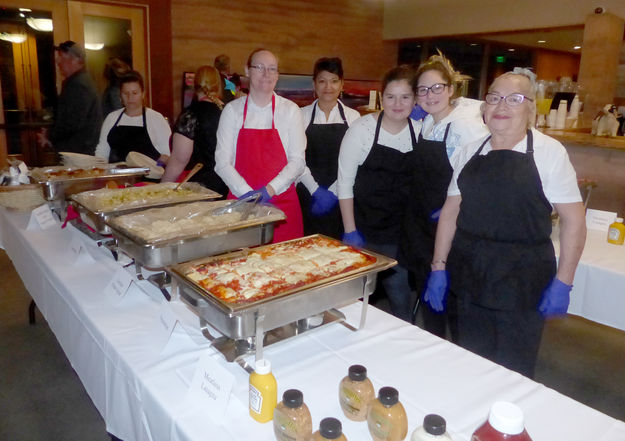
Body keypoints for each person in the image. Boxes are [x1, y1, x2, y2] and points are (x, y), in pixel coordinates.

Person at [424, 68, 586, 378]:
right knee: (471, 360)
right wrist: (439, 267)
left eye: (514, 99)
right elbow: (450, 212)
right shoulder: (470, 151)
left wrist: (564, 282)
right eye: (494, 98)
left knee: (513, 370)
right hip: (469, 272)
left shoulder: (549, 153)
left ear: (530, 108)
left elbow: (574, 221)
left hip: (522, 277)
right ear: (484, 108)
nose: (502, 107)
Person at [399, 53, 488, 337]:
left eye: (437, 87)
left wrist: (456, 211)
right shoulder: (428, 123)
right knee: (431, 305)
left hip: (450, 229)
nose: (430, 95)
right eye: (422, 90)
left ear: (451, 89)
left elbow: (480, 179)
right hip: (424, 228)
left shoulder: (465, 127)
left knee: (454, 306)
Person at [337, 65, 419, 322]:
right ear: (381, 98)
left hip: (400, 235)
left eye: (405, 97)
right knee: (355, 302)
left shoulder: (421, 131)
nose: (398, 103)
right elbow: (345, 183)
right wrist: (350, 231)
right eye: (391, 97)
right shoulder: (361, 130)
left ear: (414, 100)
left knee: (400, 298)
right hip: (364, 229)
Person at [215, 48, 306, 242]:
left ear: (278, 75)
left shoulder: (290, 111)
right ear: (247, 71)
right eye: (260, 67)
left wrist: (269, 191)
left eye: (272, 69)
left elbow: (298, 162)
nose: (267, 74)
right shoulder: (232, 111)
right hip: (241, 205)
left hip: (282, 206)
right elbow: (222, 162)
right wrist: (249, 196)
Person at [297, 57, 361, 239]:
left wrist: (332, 194)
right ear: (314, 84)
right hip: (307, 195)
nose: (328, 87)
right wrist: (315, 191)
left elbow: (354, 162)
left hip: (341, 197)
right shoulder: (300, 115)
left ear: (342, 84)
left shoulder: (353, 117)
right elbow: (296, 158)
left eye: (334, 81)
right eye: (322, 81)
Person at [161, 65, 227, 196]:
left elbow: (179, 161)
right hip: (228, 187)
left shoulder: (191, 115)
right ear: (219, 85)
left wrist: (161, 191)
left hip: (200, 190)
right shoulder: (229, 111)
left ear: (195, 85)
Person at [37, 41, 102, 155]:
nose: (58, 62)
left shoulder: (78, 85)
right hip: (79, 151)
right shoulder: (81, 81)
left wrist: (49, 134)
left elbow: (72, 122)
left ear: (75, 60)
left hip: (77, 154)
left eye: (61, 57)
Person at [95, 70, 171, 164]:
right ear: (120, 96)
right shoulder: (112, 118)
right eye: (125, 93)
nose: (130, 97)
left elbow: (168, 154)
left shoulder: (156, 118)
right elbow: (102, 152)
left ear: (143, 94)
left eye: (134, 93)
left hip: (149, 176)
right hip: (120, 175)